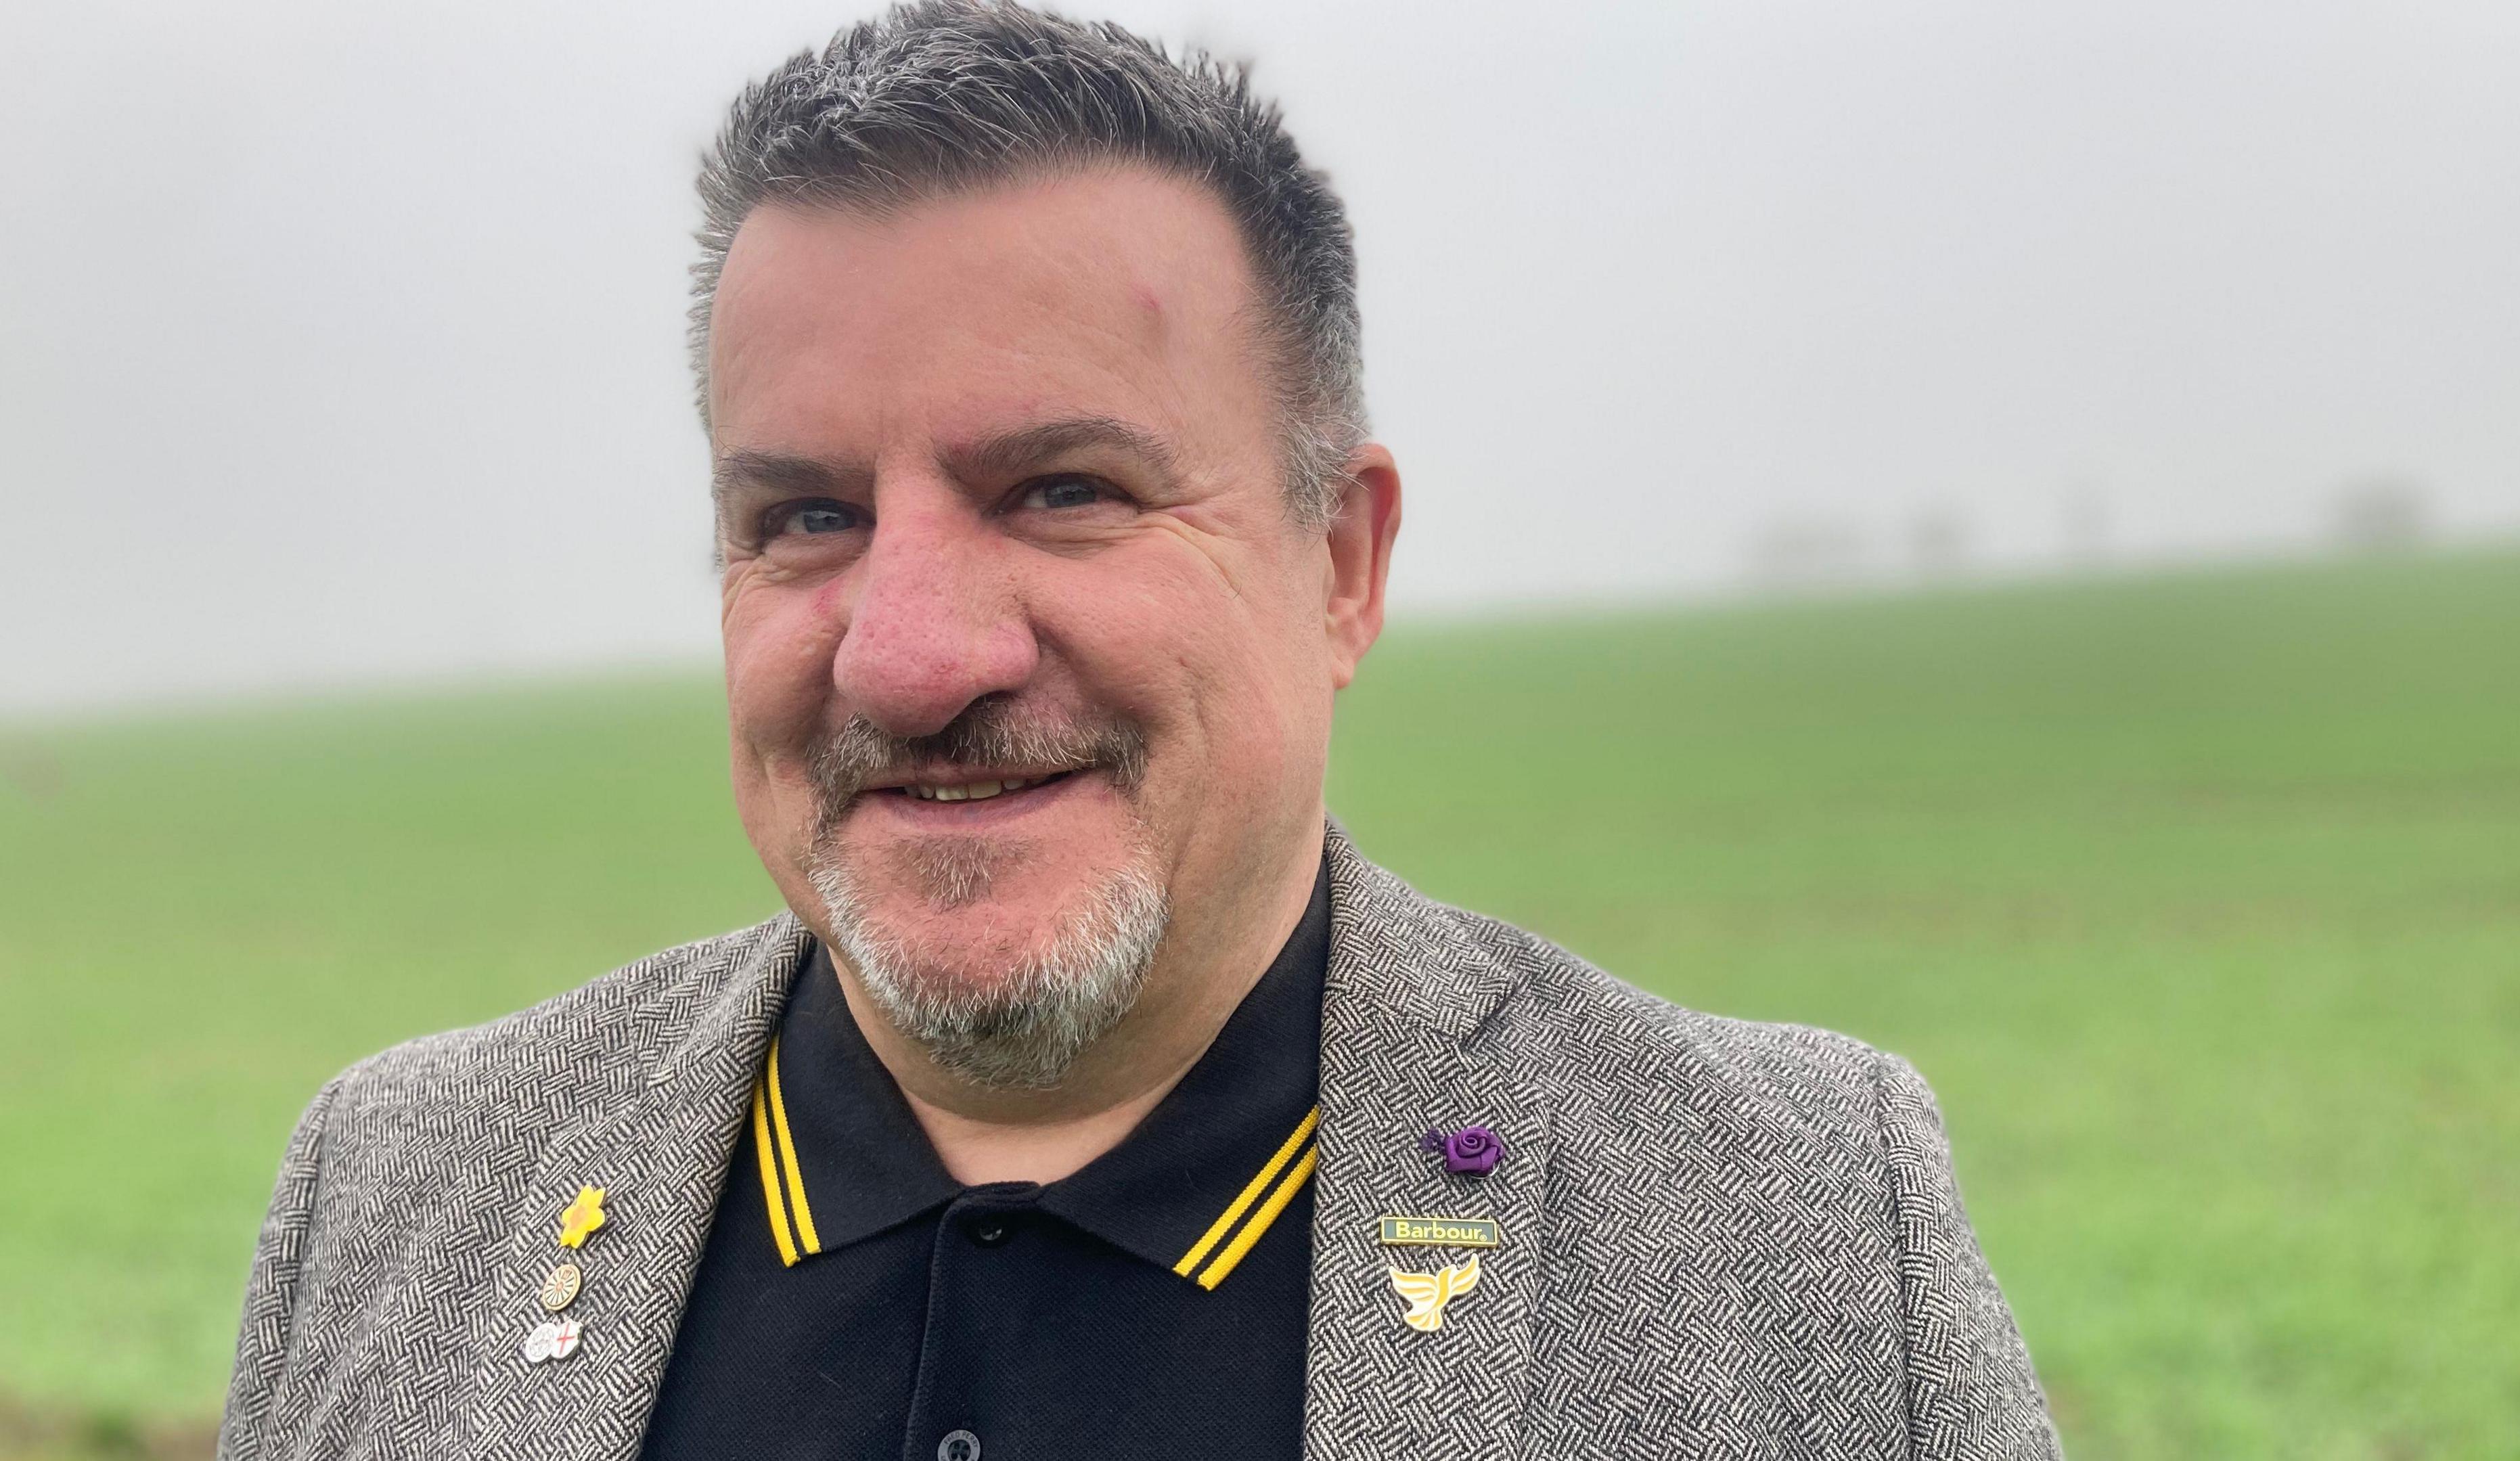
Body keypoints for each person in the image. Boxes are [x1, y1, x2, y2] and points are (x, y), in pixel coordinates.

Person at [218, 3, 2060, 1457]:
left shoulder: (1790, 1227)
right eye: (806, 517)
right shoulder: (395, 1194)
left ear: (1338, 562)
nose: (910, 659)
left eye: (1064, 489)